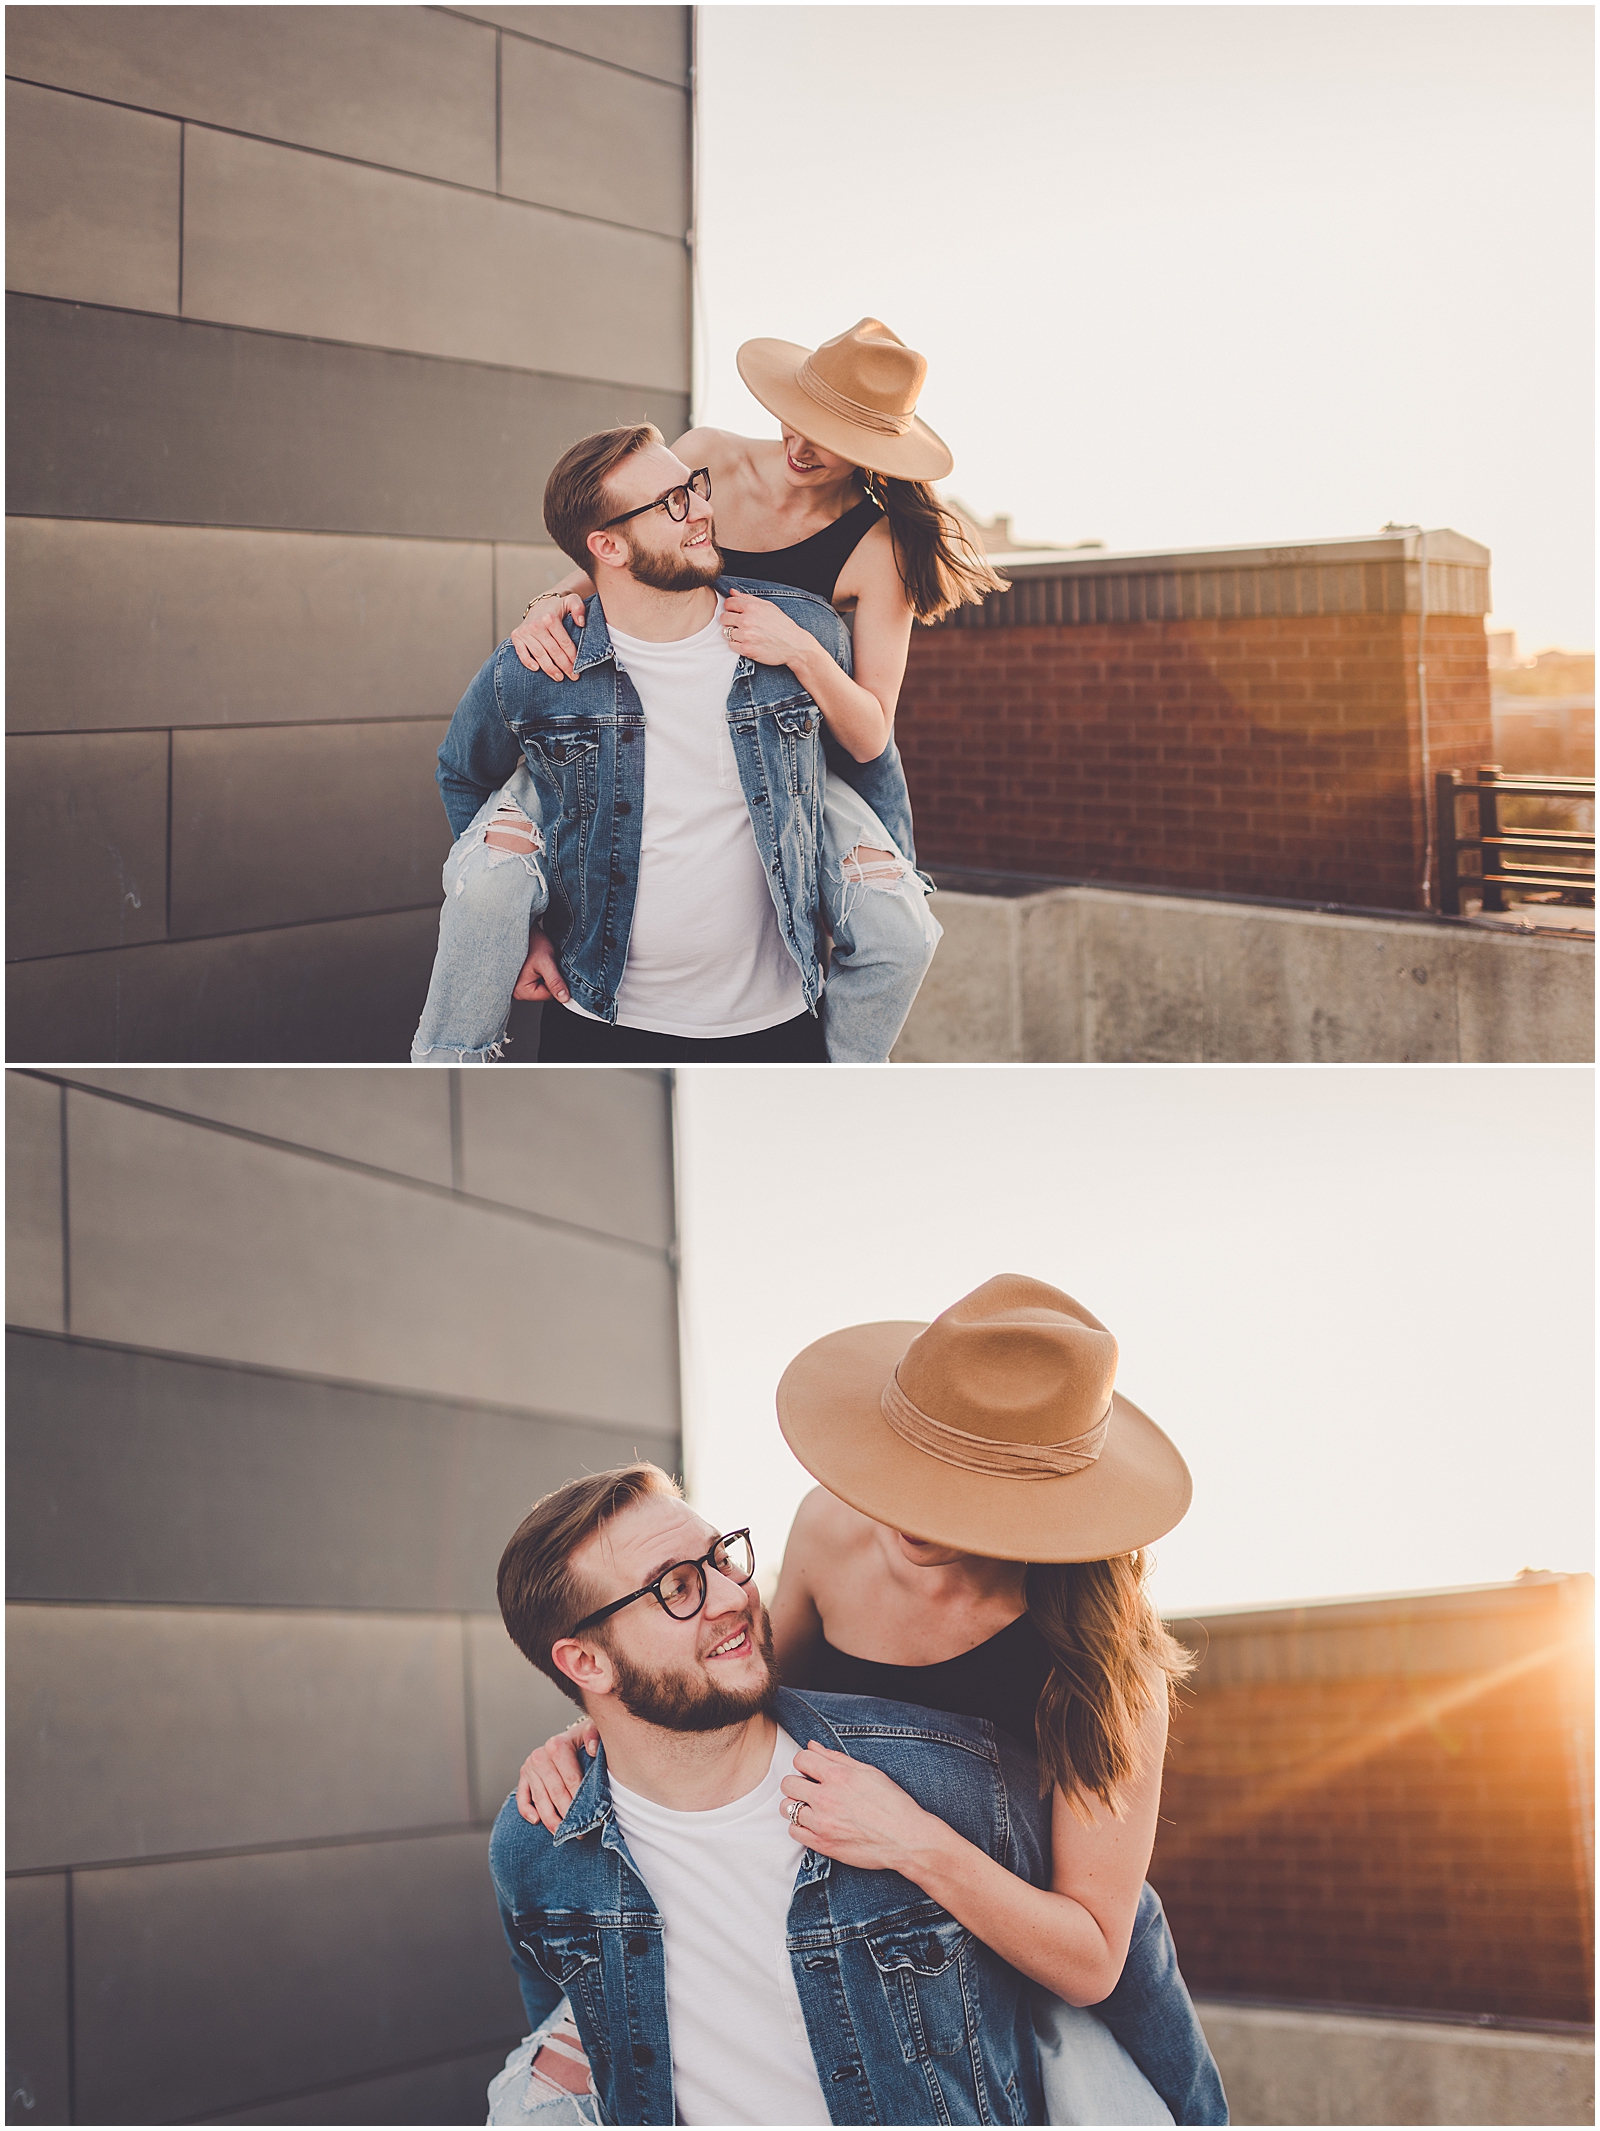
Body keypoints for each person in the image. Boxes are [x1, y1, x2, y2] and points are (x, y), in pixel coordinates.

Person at [516, 1276, 1229, 2126]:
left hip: (1054, 1991)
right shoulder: (829, 1528)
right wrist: (603, 1724)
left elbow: (1094, 1956)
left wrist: (915, 1840)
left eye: (956, 1481)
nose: (908, 1504)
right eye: (910, 1457)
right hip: (886, 1963)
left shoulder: (1110, 1660)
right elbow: (743, 1689)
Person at [419, 318, 1003, 1065]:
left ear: (874, 453)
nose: (801, 446)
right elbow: (608, 552)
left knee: (899, 930)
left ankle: (842, 1081)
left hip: (787, 743)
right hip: (620, 711)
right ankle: (450, 1063)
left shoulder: (876, 547)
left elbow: (869, 735)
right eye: (801, 418)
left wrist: (799, 651)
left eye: (831, 439)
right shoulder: (703, 461)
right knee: (491, 877)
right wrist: (543, 608)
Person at [489, 1462, 1062, 2126]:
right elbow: (568, 2016)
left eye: (721, 1557)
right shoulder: (535, 1842)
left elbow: (1114, 1950)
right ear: (586, 1661)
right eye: (677, 1586)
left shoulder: (945, 1781)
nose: (734, 1595)